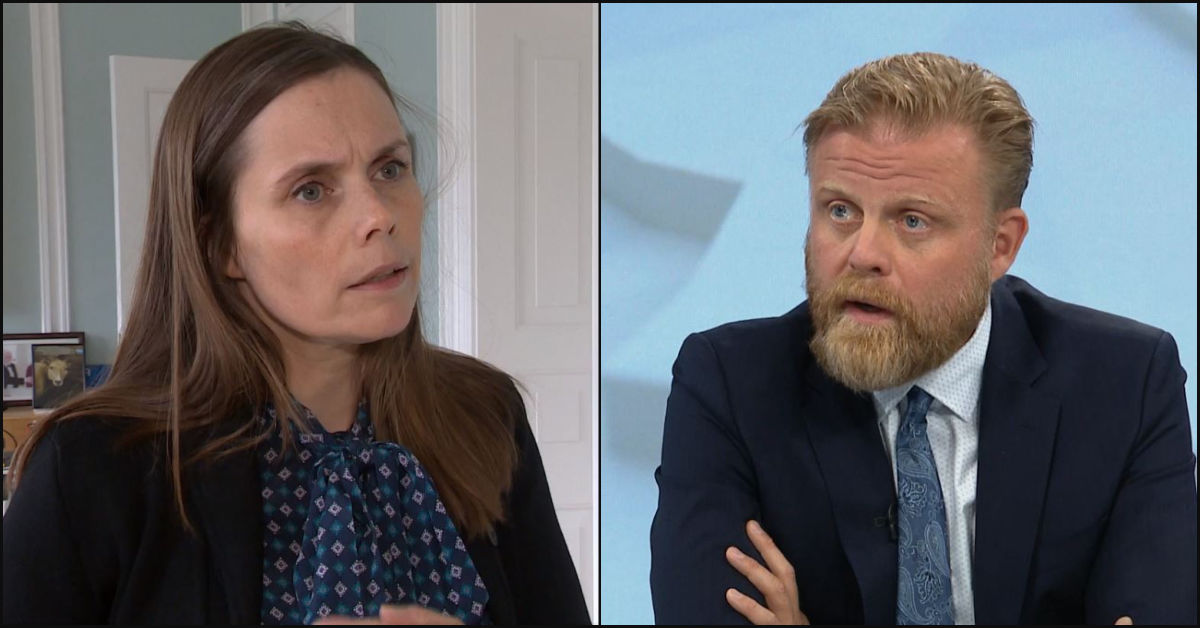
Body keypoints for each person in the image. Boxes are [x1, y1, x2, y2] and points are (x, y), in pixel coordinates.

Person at [3, 22, 589, 625]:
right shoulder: (94, 466)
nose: (379, 215)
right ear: (220, 244)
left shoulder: (484, 412)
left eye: (390, 169)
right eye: (311, 190)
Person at [650, 52, 1196, 625]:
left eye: (912, 221)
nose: (863, 254)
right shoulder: (730, 386)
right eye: (840, 211)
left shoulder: (1126, 384)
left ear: (1000, 246)